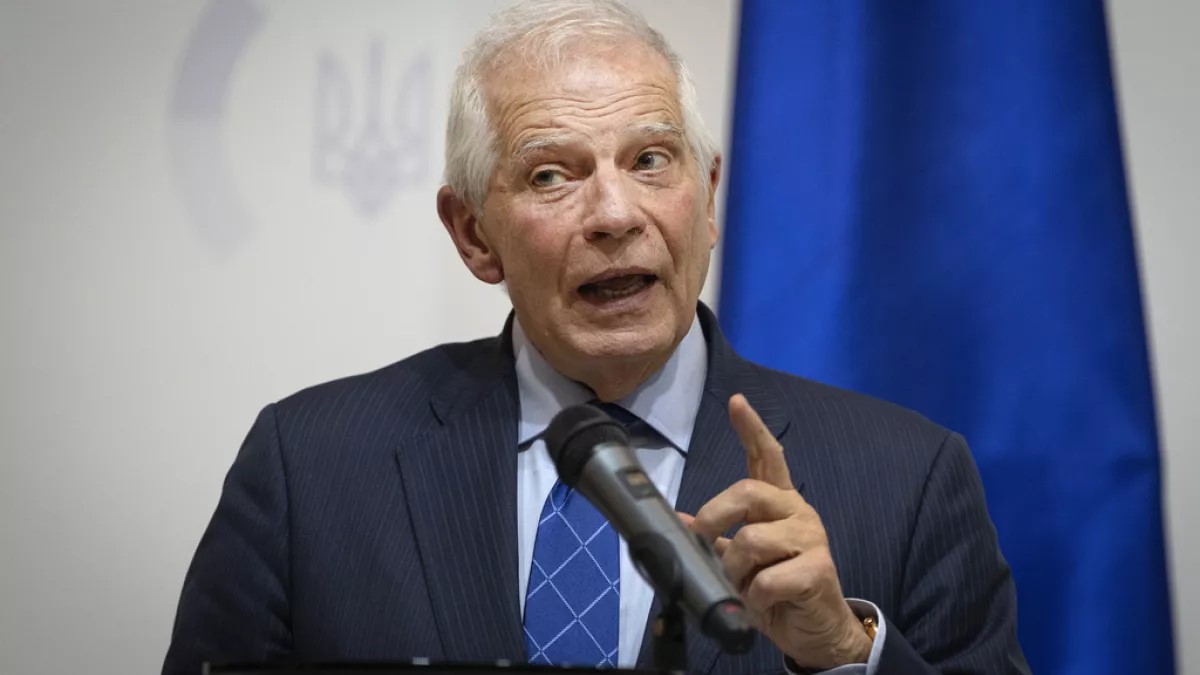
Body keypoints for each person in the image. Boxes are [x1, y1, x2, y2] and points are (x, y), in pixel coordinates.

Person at [163, 1, 1030, 673]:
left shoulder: (908, 479)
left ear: (709, 197)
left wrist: (842, 649)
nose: (615, 214)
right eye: (552, 174)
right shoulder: (310, 467)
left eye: (651, 160)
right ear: (473, 233)